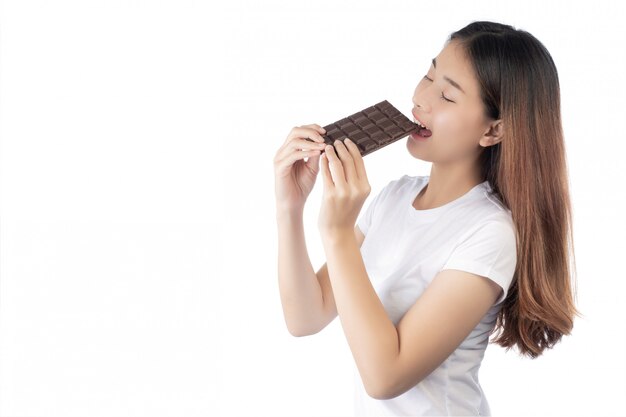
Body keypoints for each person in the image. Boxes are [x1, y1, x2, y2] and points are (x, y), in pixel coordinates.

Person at [273, 20, 581, 416]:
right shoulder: (394, 198)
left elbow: (385, 376)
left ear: (494, 129)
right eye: (428, 74)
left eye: (448, 96)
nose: (422, 98)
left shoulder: (490, 233)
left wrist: (336, 232)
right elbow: (306, 316)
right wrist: (290, 207)